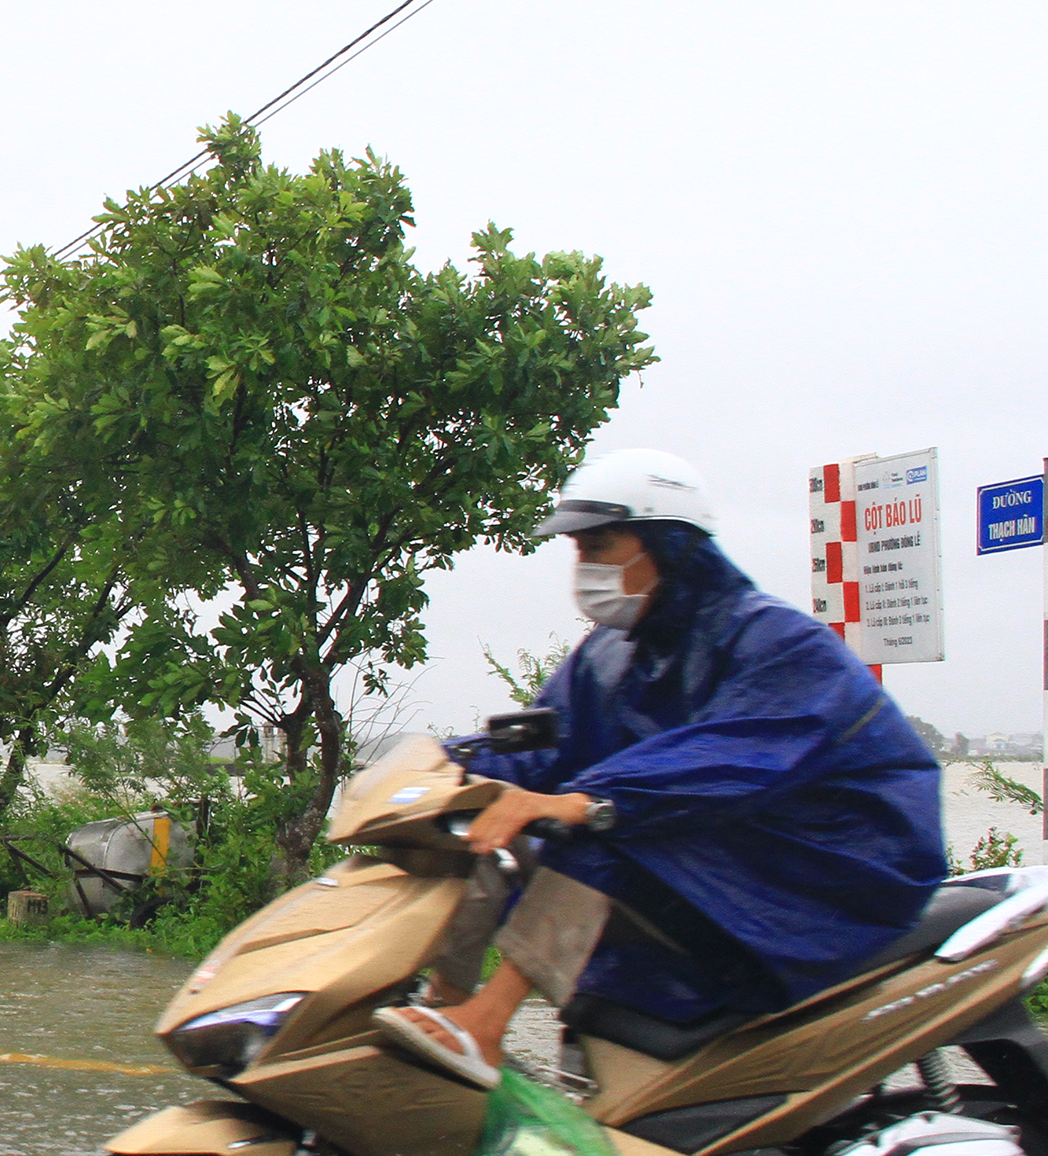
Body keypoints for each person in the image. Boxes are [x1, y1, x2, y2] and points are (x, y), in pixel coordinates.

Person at [375, 448, 944, 1087]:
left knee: (598, 840)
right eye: (577, 549)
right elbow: (545, 743)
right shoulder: (613, 654)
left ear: (665, 545)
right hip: (730, 850)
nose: (584, 566)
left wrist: (582, 801)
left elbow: (728, 758)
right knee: (483, 834)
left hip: (829, 867)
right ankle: (446, 1002)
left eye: (599, 545)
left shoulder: (778, 643)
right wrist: (448, 773)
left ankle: (485, 1025)